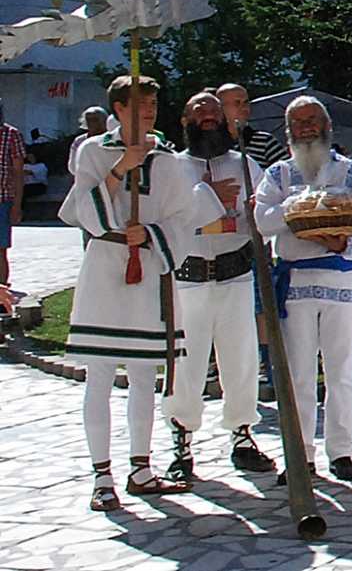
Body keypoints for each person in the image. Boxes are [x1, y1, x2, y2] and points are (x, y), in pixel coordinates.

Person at [61, 76, 223, 511]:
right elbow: (83, 211)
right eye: (139, 104)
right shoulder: (92, 151)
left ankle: (141, 468)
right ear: (118, 109)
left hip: (148, 270)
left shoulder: (167, 160)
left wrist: (150, 233)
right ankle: (101, 476)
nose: (149, 110)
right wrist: (120, 168)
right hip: (105, 269)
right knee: (98, 375)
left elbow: (183, 216)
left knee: (143, 377)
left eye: (152, 103)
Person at [254, 96, 352, 482]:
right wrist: (300, 208)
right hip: (297, 284)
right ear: (289, 131)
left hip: (340, 278)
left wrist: (336, 241)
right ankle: (300, 453)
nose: (306, 127)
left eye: (312, 120)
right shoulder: (278, 174)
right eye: (298, 122)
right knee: (299, 374)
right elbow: (262, 219)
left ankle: (341, 451)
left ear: (326, 126)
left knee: (340, 371)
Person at [161, 92, 275, 483]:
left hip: (234, 274)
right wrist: (210, 199)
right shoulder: (172, 168)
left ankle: (242, 435)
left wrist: (237, 215)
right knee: (185, 364)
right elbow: (171, 221)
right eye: (200, 111)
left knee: (241, 360)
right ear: (185, 120)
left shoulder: (245, 165)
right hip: (188, 278)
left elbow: (257, 217)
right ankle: (181, 441)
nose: (208, 116)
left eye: (214, 111)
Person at [216, 84, 289, 169]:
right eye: (237, 102)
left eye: (246, 102)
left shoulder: (265, 141)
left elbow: (288, 172)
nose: (244, 107)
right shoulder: (210, 143)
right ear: (220, 108)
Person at [0, 106, 19, 288]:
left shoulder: (11, 134)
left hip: (3, 199)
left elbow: (18, 172)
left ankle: (2, 287)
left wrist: (17, 205)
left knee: (1, 248)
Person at [69, 106, 110, 174]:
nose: (91, 123)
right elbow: (73, 167)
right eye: (88, 119)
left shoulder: (111, 138)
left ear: (105, 120)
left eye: (95, 119)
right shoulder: (79, 141)